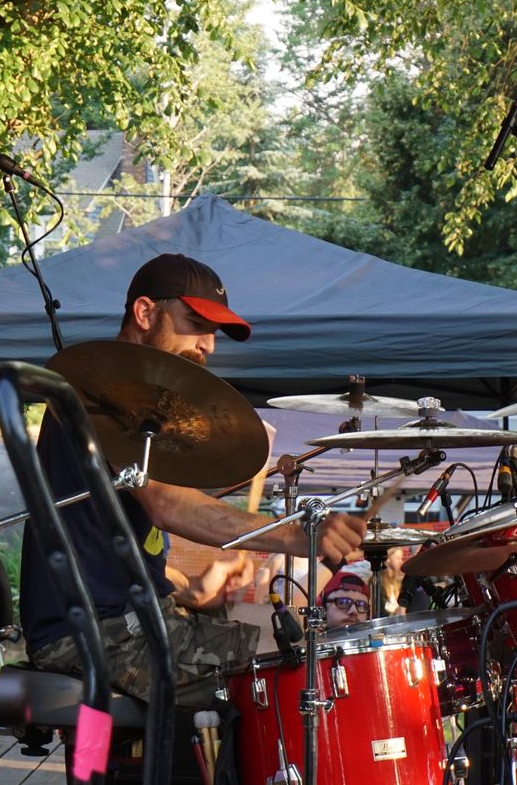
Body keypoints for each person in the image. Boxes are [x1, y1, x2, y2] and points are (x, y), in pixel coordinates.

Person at [20, 253, 368, 708]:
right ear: (145, 313)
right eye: (196, 324)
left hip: (137, 622)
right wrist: (294, 534)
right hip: (95, 635)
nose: (209, 345)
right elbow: (169, 504)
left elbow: (114, 546)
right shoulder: (103, 396)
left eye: (214, 332)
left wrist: (196, 589)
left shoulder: (137, 408)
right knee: (295, 670)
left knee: (290, 639)